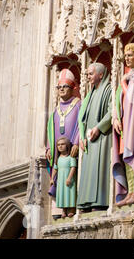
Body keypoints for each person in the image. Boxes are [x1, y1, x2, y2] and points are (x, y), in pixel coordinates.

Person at [112, 43, 134, 206]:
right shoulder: (130, 76)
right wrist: (116, 117)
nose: (126, 58)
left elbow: (132, 97)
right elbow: (119, 102)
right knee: (125, 155)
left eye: (130, 55)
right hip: (126, 122)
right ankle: (131, 190)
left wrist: (123, 84)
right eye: (125, 55)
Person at [77, 62, 113, 211]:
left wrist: (99, 128)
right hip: (89, 139)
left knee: (99, 170)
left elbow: (112, 111)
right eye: (87, 74)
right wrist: (82, 136)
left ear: (100, 74)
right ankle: (86, 202)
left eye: (90, 74)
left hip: (102, 136)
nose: (88, 77)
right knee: (88, 172)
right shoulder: (90, 93)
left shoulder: (108, 89)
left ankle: (100, 202)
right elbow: (84, 116)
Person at [45, 68, 80, 220]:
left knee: (71, 177)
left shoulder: (78, 105)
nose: (61, 90)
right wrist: (48, 147)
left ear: (73, 88)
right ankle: (59, 208)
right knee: (57, 175)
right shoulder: (55, 110)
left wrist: (77, 142)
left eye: (65, 87)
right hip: (58, 152)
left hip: (73, 149)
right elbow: (50, 129)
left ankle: (73, 206)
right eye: (59, 87)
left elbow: (81, 125)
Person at [50, 136, 77, 218]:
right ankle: (64, 210)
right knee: (62, 194)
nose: (60, 146)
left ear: (67, 145)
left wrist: (69, 177)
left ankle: (72, 209)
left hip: (69, 179)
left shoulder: (71, 157)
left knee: (70, 193)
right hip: (60, 180)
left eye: (62, 144)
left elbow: (73, 167)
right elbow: (55, 169)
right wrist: (52, 178)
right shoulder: (58, 159)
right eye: (58, 145)